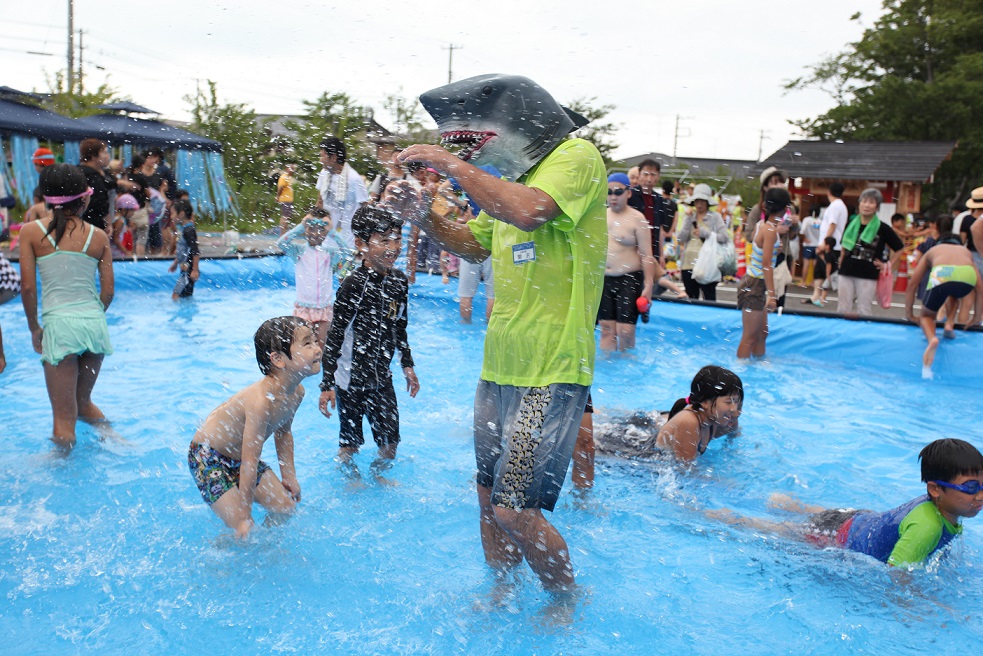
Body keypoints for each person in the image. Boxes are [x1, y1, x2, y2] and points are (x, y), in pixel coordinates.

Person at [396, 73, 606, 592]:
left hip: (550, 371)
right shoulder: (504, 190)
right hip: (498, 367)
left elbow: (530, 211)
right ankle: (502, 593)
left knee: (515, 509)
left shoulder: (575, 159)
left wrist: (450, 164)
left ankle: (565, 599)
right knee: (489, 500)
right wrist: (422, 214)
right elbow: (470, 243)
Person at [711, 439, 983, 571]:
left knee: (814, 515)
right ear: (935, 489)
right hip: (838, 536)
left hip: (858, 519)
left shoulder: (941, 509)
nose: (980, 495)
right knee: (778, 530)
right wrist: (919, 608)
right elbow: (897, 574)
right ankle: (724, 516)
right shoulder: (927, 526)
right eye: (971, 487)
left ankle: (786, 502)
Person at [188, 316, 320, 538]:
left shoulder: (296, 393)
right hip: (207, 458)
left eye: (315, 341)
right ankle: (221, 556)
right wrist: (245, 515)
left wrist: (289, 476)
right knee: (240, 530)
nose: (317, 348)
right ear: (278, 359)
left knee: (285, 508)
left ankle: (266, 547)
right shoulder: (261, 402)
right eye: (308, 343)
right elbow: (250, 461)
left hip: (240, 458)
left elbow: (283, 433)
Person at [18, 164, 114, 449]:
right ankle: (117, 441)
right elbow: (107, 292)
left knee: (63, 419)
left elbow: (27, 288)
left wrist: (35, 328)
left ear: (45, 199)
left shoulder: (31, 233)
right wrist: (91, 316)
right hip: (94, 325)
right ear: (84, 198)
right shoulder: (98, 236)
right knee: (83, 403)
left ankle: (61, 469)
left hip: (60, 328)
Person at [318, 205, 419, 473]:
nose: (393, 247)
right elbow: (336, 334)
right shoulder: (354, 284)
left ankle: (378, 474)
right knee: (350, 444)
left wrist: (407, 364)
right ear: (362, 244)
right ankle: (349, 477)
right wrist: (327, 383)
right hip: (350, 380)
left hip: (381, 377)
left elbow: (400, 323)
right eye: (384, 240)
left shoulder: (398, 280)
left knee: (390, 443)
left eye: (397, 239)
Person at [592, 365, 743, 461]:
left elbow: (734, 434)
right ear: (705, 402)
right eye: (729, 402)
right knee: (598, 433)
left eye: (737, 401)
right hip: (632, 449)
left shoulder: (718, 418)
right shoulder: (689, 422)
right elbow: (686, 471)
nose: (734, 408)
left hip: (653, 430)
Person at [905, 216, 983, 376]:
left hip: (943, 275)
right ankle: (949, 324)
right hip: (966, 277)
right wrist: (976, 317)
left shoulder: (933, 250)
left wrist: (910, 314)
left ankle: (932, 338)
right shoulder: (965, 251)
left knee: (927, 316)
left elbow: (912, 284)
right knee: (953, 293)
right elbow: (981, 289)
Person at [599, 172, 657, 352]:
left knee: (626, 331)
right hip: (604, 279)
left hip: (629, 279)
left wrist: (648, 286)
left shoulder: (637, 219)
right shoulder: (600, 216)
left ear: (629, 193)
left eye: (618, 192)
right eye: (609, 192)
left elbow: (647, 255)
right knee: (607, 330)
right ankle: (609, 374)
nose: (613, 196)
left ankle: (628, 370)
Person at [275, 208, 349, 346]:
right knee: (303, 348)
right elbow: (280, 243)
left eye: (321, 229)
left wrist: (332, 232)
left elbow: (348, 253)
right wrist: (301, 226)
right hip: (303, 309)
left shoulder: (330, 254)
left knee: (320, 349)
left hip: (324, 309)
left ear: (327, 232)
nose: (316, 233)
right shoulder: (299, 251)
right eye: (311, 229)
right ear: (305, 230)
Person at [736, 188, 786, 359]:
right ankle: (741, 370)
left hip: (755, 284)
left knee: (762, 333)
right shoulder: (771, 230)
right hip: (755, 285)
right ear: (784, 209)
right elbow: (766, 264)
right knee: (749, 336)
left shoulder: (762, 225)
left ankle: (757, 365)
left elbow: (762, 254)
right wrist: (772, 295)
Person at [837, 188, 904, 317]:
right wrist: (841, 259)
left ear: (877, 207)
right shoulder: (851, 223)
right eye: (864, 201)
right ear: (859, 203)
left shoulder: (883, 228)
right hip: (846, 270)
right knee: (843, 308)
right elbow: (844, 245)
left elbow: (899, 248)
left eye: (871, 202)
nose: (867, 205)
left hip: (868, 273)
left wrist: (886, 265)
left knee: (864, 309)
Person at [746, 167, 800, 308]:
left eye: (781, 182)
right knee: (760, 304)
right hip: (763, 262)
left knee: (779, 301)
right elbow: (749, 235)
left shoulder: (789, 209)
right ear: (765, 187)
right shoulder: (757, 210)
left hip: (782, 258)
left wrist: (795, 224)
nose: (780, 186)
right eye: (775, 182)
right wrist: (773, 233)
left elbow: (793, 235)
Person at [677, 183, 729, 300]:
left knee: (709, 298)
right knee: (691, 299)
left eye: (702, 201)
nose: (699, 204)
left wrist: (706, 234)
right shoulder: (690, 216)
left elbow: (724, 237)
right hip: (688, 263)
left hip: (707, 264)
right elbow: (680, 238)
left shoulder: (715, 217)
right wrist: (687, 220)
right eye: (697, 201)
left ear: (708, 202)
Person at [315, 137, 369, 248]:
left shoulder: (354, 179)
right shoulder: (324, 174)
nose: (320, 160)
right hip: (327, 235)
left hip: (348, 239)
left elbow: (365, 209)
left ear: (333, 157)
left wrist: (363, 239)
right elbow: (319, 203)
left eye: (322, 156)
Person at [627, 159, 673, 266]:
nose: (649, 178)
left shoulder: (659, 199)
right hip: (632, 252)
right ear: (639, 174)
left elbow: (660, 228)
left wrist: (661, 255)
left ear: (658, 176)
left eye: (653, 174)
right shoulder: (630, 195)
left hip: (653, 252)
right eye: (646, 174)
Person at [810, 182, 848, 305]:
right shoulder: (840, 205)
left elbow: (832, 225)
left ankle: (819, 296)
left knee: (826, 272)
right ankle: (817, 296)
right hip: (832, 244)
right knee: (822, 271)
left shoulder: (835, 206)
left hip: (830, 244)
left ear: (829, 192)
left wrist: (824, 243)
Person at [79, 138, 116, 231]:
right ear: (93, 156)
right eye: (104, 153)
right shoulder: (92, 176)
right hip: (93, 224)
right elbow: (101, 204)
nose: (108, 156)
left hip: (80, 223)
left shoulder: (77, 171)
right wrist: (108, 224)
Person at [168, 200, 200, 300]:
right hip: (186, 271)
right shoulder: (185, 229)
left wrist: (194, 270)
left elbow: (195, 250)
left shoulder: (189, 230)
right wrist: (175, 263)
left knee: (176, 296)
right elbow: (184, 250)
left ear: (181, 214)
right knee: (183, 296)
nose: (171, 216)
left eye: (173, 213)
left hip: (188, 271)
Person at [277, 164, 297, 235]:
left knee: (286, 217)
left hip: (288, 200)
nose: (293, 170)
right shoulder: (284, 177)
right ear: (286, 169)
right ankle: (282, 234)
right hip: (285, 200)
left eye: (293, 168)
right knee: (285, 217)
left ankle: (284, 233)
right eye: (291, 168)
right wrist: (277, 196)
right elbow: (281, 188)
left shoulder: (288, 177)